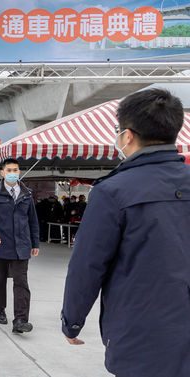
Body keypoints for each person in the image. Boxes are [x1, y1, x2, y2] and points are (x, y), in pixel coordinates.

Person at [61, 89, 190, 376]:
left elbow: (87, 265)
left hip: (142, 334)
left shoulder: (112, 191)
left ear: (127, 136)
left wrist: (72, 320)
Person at [0, 158, 40, 334]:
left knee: (21, 282)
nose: (13, 173)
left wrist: (35, 242)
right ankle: (0, 309)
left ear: (19, 172)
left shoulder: (26, 193)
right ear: (2, 173)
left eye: (15, 170)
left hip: (21, 246)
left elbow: (32, 220)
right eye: (9, 170)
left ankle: (20, 319)